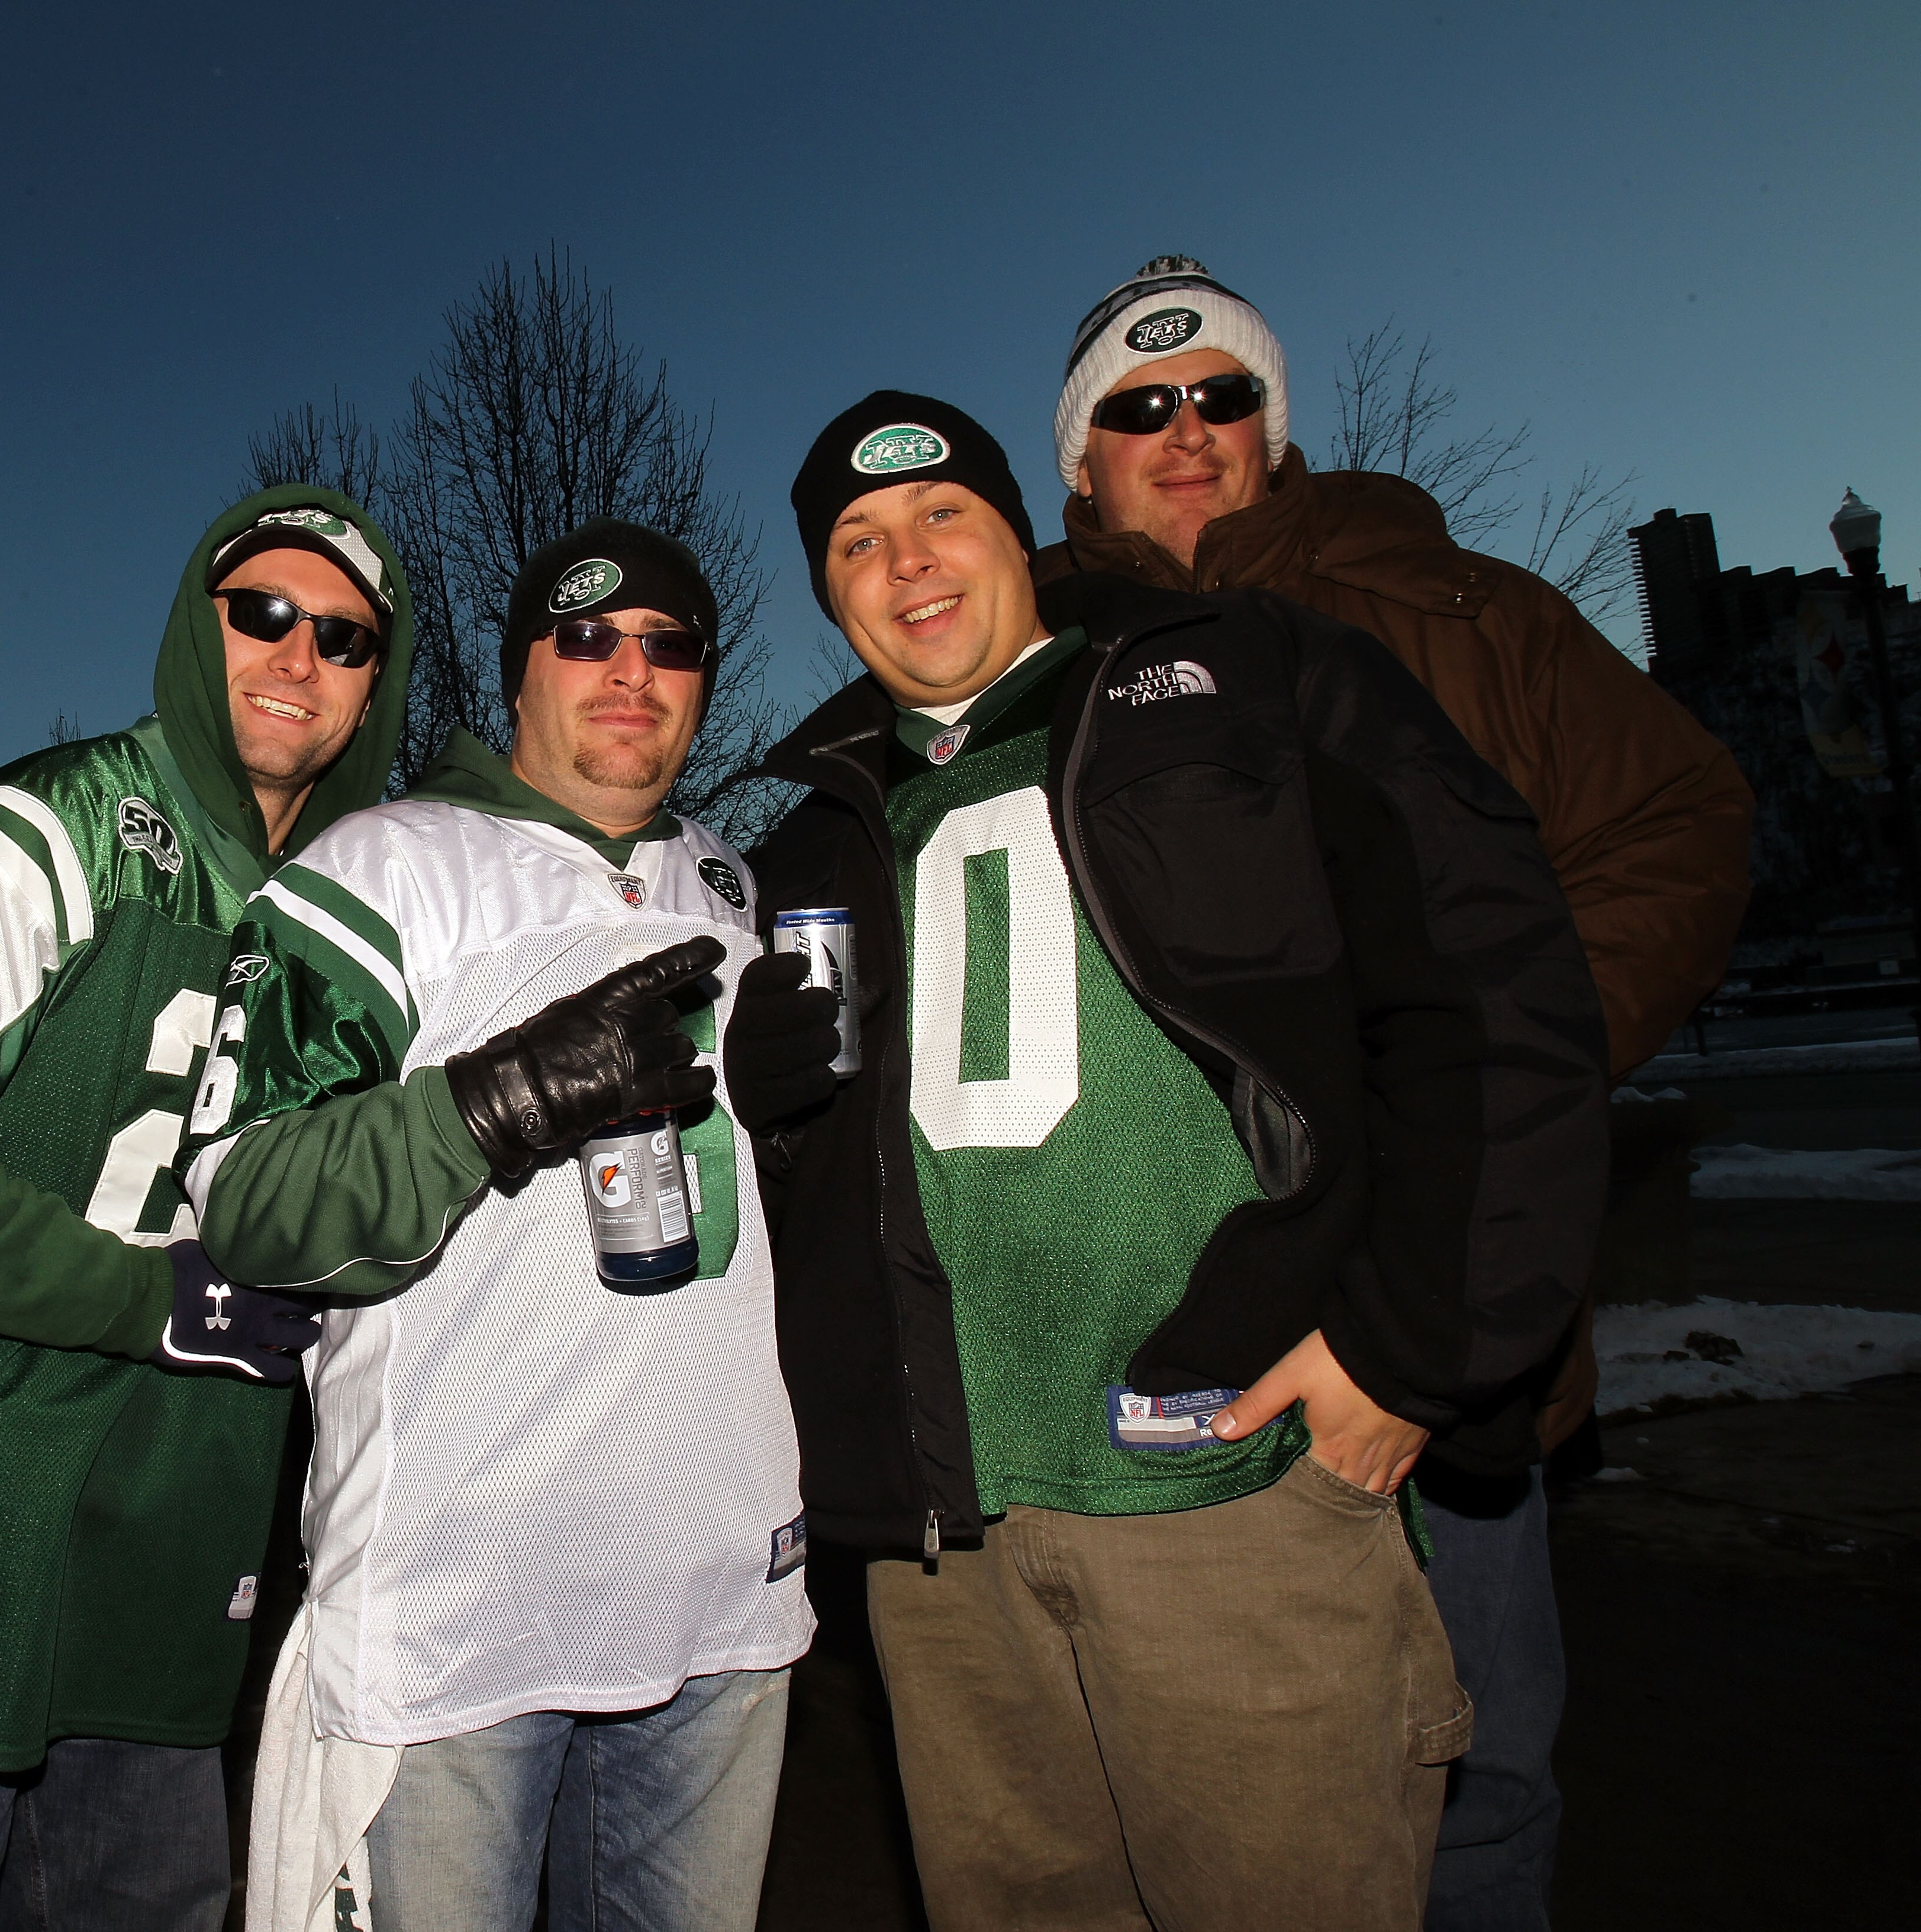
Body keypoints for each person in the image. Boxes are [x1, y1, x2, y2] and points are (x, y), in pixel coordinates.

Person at [729, 394, 1610, 1931]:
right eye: (858, 543)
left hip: (1232, 1490)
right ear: (828, 594)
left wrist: (1418, 1349)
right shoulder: (811, 842)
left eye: (944, 512)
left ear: (1021, 532)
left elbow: (1490, 992)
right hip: (949, 1566)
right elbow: (803, 1190)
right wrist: (768, 1107)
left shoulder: (1245, 674)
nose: (908, 560)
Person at [1039, 256, 1752, 1928]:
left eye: (1225, 397)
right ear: (1080, 461)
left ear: (1274, 434)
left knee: (1475, 1771)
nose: (1187, 430)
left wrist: (1494, 1075)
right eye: (1138, 409)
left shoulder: (1463, 613)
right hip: (1154, 1335)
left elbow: (1682, 827)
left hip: (1429, 1319)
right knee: (1173, 1792)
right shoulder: (1033, 670)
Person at [0, 487, 410, 1928]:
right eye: (263, 615)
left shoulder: (364, 903)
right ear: (196, 627)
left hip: (168, 1564)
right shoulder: (41, 835)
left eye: (343, 638)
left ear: (376, 685)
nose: (297, 658)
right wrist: (142, 1298)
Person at [183, 520, 810, 1932]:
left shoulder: (739, 889)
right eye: (584, 638)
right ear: (517, 672)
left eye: (670, 644)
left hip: (723, 1597)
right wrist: (494, 1101)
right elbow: (247, 1204)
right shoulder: (380, 865)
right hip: (458, 1610)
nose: (629, 670)